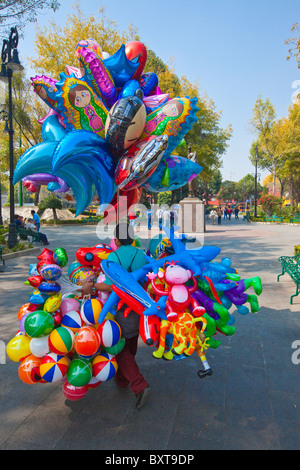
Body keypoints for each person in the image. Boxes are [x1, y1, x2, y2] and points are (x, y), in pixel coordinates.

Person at [81, 223, 151, 409]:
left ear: (117, 240)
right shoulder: (141, 255)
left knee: (119, 349)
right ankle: (122, 380)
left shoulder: (113, 257)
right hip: (141, 307)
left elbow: (114, 286)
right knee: (130, 344)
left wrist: (92, 286)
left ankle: (139, 385)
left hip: (122, 308)